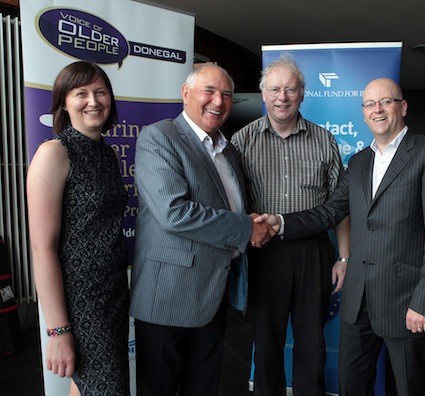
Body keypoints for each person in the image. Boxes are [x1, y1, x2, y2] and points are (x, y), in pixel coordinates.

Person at [257, 77, 425, 395]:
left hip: (406, 303)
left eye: (386, 101)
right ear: (363, 113)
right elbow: (330, 212)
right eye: (369, 104)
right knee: (353, 386)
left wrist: (424, 301)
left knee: (411, 387)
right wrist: (280, 222)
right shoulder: (359, 162)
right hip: (357, 301)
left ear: (403, 107)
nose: (377, 109)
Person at [129, 64, 274, 396]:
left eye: (226, 95)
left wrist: (250, 220)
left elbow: (227, 205)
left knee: (204, 385)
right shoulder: (159, 136)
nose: (218, 102)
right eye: (209, 91)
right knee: (160, 388)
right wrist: (245, 228)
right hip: (167, 293)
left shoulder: (228, 149)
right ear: (185, 93)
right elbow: (173, 212)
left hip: (212, 289)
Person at [231, 55, 350, 396]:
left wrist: (344, 257)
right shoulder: (242, 142)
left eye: (290, 89)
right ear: (263, 94)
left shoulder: (324, 140)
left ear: (302, 94)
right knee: (266, 342)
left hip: (314, 252)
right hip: (263, 253)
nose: (282, 96)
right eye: (275, 89)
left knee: (312, 342)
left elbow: (339, 206)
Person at [27, 61, 130, 395]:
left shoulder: (108, 154)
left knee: (87, 386)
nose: (93, 101)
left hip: (113, 293)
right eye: (81, 93)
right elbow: (42, 247)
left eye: (100, 92)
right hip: (80, 303)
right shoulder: (53, 153)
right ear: (63, 102)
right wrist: (58, 330)